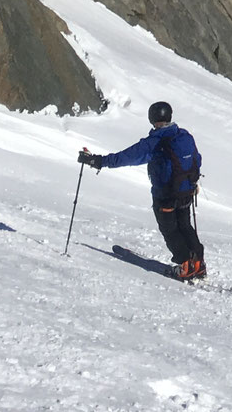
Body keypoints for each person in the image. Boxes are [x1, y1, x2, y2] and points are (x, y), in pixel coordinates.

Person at [81, 101, 204, 280]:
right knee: (185, 226)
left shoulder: (155, 142)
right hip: (187, 192)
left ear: (152, 118)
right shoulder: (184, 136)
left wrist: (98, 161)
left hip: (165, 195)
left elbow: (126, 157)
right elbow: (197, 159)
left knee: (170, 230)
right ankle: (198, 264)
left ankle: (185, 266)